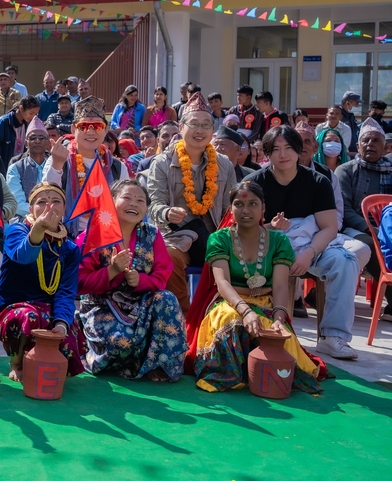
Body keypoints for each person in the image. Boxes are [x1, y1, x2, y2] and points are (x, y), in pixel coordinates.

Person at [189, 181, 324, 393]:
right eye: (239, 204)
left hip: (267, 302)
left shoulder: (278, 241)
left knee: (274, 335)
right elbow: (222, 283)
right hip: (229, 301)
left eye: (253, 204)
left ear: (263, 208)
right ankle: (235, 373)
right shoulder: (220, 239)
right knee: (230, 321)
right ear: (230, 209)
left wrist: (279, 318)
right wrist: (246, 311)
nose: (246, 210)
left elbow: (280, 286)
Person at [243, 126, 365, 360]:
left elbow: (329, 226)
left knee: (345, 260)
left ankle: (333, 337)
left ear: (300, 150)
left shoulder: (318, 181)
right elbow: (239, 229)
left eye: (288, 148)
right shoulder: (254, 183)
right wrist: (269, 227)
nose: (283, 154)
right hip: (266, 247)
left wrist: (309, 253)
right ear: (267, 153)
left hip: (310, 243)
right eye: (276, 149)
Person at [77, 179, 187, 381]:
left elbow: (162, 275)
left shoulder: (151, 234)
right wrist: (112, 270)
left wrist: (141, 281)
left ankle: (156, 364)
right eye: (127, 198)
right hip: (102, 305)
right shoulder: (94, 234)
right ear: (111, 201)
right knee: (122, 342)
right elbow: (79, 282)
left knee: (167, 299)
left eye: (140, 200)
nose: (134, 204)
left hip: (141, 303)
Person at [144, 92, 237, 312]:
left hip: (214, 236)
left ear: (212, 131)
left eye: (206, 125)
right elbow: (154, 205)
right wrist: (167, 213)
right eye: (194, 124)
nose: (200, 130)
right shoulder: (162, 163)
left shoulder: (224, 164)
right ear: (181, 126)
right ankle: (184, 318)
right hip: (177, 236)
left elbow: (229, 209)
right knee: (168, 255)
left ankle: (222, 316)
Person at [0, 183, 87, 382]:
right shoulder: (16, 230)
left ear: (64, 208)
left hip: (50, 308)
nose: (49, 207)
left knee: (67, 327)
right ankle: (17, 362)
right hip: (14, 308)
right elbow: (23, 256)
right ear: (30, 209)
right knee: (30, 316)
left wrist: (61, 323)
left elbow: (66, 291)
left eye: (56, 202)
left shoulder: (69, 248)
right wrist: (38, 229)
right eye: (41, 202)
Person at [41, 97, 128, 233]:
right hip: (66, 237)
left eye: (98, 126)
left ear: (106, 130)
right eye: (84, 126)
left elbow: (124, 205)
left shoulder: (117, 166)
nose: (91, 131)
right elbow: (46, 197)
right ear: (73, 129)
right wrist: (57, 165)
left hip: (106, 236)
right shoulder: (60, 158)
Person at [336, 118, 392, 312]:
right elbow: (344, 208)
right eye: (366, 141)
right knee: (371, 244)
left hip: (387, 227)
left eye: (376, 141)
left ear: (385, 148)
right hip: (353, 228)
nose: (370, 144)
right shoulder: (345, 170)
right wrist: (370, 229)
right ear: (358, 146)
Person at [7, 116, 51, 218]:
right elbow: (17, 204)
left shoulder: (56, 165)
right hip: (24, 220)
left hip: (55, 220)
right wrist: (43, 213)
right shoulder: (16, 168)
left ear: (48, 143)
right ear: (26, 143)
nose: (37, 141)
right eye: (32, 138)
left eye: (41, 138)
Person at [0, 95, 40, 175]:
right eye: (31, 113)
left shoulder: (28, 124)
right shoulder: (4, 122)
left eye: (35, 114)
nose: (33, 117)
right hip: (4, 167)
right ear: (21, 108)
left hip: (20, 168)